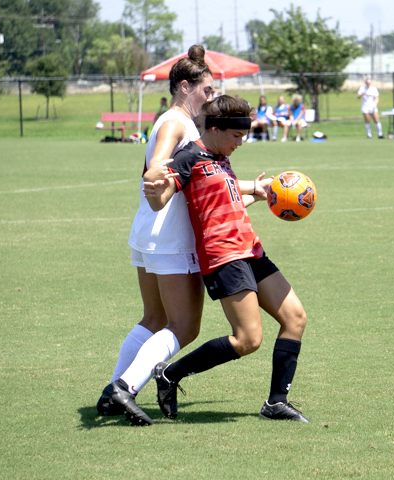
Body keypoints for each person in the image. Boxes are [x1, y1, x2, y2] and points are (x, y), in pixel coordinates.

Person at [140, 95, 310, 423]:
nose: (240, 143)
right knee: (248, 339)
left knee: (295, 318)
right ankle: (169, 375)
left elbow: (226, 204)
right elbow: (161, 198)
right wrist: (154, 189)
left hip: (250, 249)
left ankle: (276, 403)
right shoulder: (190, 156)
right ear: (215, 129)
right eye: (237, 136)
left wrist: (256, 194)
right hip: (224, 256)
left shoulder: (221, 156)